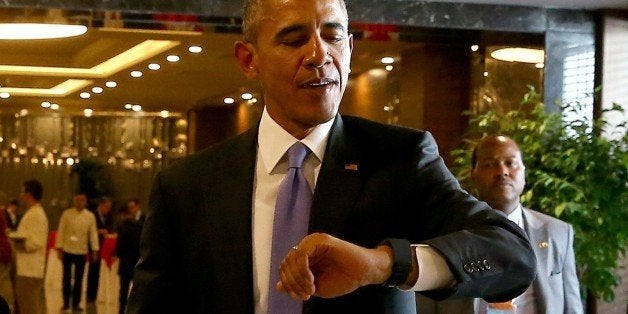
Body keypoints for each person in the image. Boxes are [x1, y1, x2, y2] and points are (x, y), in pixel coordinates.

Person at [126, 0, 536, 313]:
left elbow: (512, 255)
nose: (320, 54)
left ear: (351, 48)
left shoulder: (399, 159)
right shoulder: (188, 185)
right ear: (248, 59)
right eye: (294, 39)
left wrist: (383, 264)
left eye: (334, 35)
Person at [422, 135, 582, 313]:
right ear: (473, 173)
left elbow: (572, 306)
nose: (502, 171)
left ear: (523, 172)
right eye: (490, 164)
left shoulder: (558, 233)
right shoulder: (444, 234)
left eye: (511, 163)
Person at [56, 193, 99, 313]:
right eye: (77, 200)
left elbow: (93, 234)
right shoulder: (67, 214)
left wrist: (95, 250)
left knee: (79, 279)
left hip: (81, 251)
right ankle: (65, 303)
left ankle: (76, 303)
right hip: (67, 250)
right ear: (74, 201)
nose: (80, 203)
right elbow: (61, 230)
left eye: (82, 201)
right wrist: (59, 248)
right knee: (66, 277)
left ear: (85, 202)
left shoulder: (90, 216)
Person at [10, 179, 48, 314]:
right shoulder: (32, 213)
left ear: (28, 194)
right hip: (26, 269)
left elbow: (36, 242)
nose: (21, 195)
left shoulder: (37, 215)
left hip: (30, 271)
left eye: (22, 192)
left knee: (29, 307)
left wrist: (17, 242)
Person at [115, 199, 144, 314]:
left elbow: (120, 245)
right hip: (137, 260)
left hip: (125, 261)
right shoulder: (140, 226)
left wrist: (117, 253)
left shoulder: (123, 227)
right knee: (136, 288)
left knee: (123, 288)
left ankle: (122, 310)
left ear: (123, 215)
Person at [86, 197, 114, 304]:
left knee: (99, 271)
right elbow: (88, 231)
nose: (108, 209)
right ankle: (90, 295)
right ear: (101, 205)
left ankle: (97, 293)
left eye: (109, 207)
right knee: (93, 270)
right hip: (94, 246)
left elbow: (111, 228)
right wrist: (98, 231)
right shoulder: (92, 215)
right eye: (106, 207)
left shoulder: (109, 217)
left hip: (105, 246)